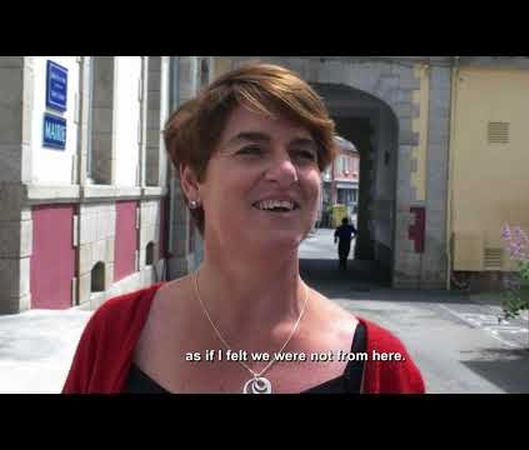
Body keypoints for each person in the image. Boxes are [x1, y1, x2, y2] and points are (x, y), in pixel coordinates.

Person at [62, 63, 425, 394]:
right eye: (252, 150)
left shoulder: (379, 364)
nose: (286, 172)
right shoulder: (116, 331)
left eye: (303, 154)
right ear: (192, 181)